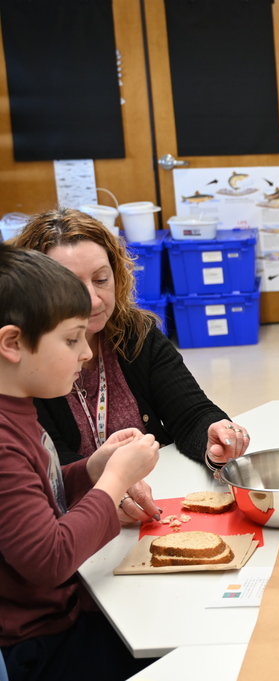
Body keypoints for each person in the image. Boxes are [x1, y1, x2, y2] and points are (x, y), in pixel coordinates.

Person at [13, 209, 249, 523]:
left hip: (157, 501)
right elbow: (49, 466)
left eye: (101, 279)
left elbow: (189, 412)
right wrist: (109, 488)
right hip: (77, 519)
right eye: (70, 286)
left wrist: (213, 438)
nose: (93, 301)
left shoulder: (136, 334)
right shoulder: (22, 364)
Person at [0, 244, 160, 681]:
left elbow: (40, 491)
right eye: (72, 340)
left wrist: (92, 468)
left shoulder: (18, 406)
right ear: (13, 343)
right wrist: (115, 481)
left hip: (59, 619)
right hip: (37, 644)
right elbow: (50, 558)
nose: (86, 352)